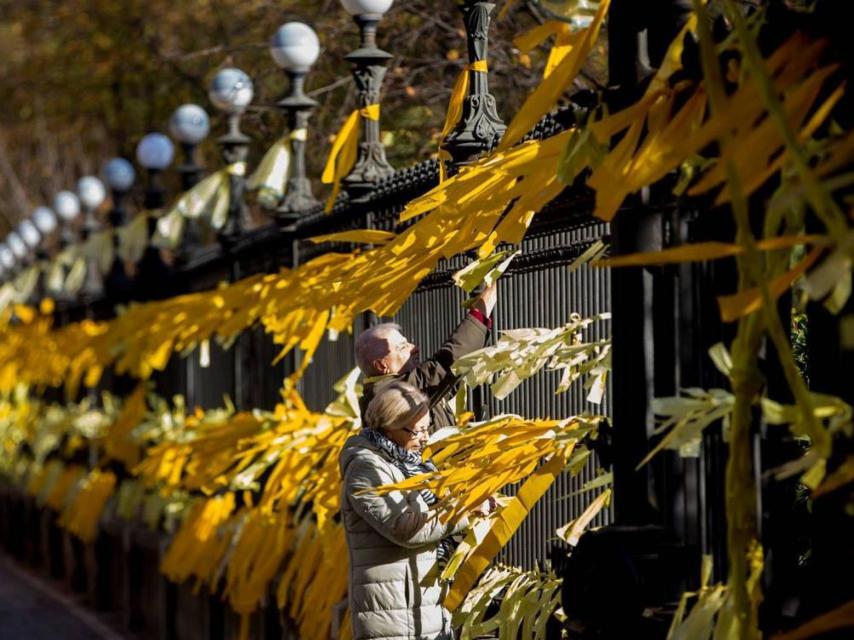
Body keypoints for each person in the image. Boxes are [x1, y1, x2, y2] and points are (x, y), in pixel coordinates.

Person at [339, 381, 492, 640]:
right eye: (417, 431)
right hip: (394, 617)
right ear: (389, 426)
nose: (425, 438)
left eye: (427, 428)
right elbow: (405, 528)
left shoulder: (411, 463)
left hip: (420, 607)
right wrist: (464, 511)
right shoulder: (366, 469)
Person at [355, 282, 497, 431]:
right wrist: (483, 307)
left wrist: (481, 291)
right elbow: (447, 363)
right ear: (382, 365)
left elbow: (450, 376)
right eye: (403, 347)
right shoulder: (391, 394)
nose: (415, 348)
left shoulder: (386, 390)